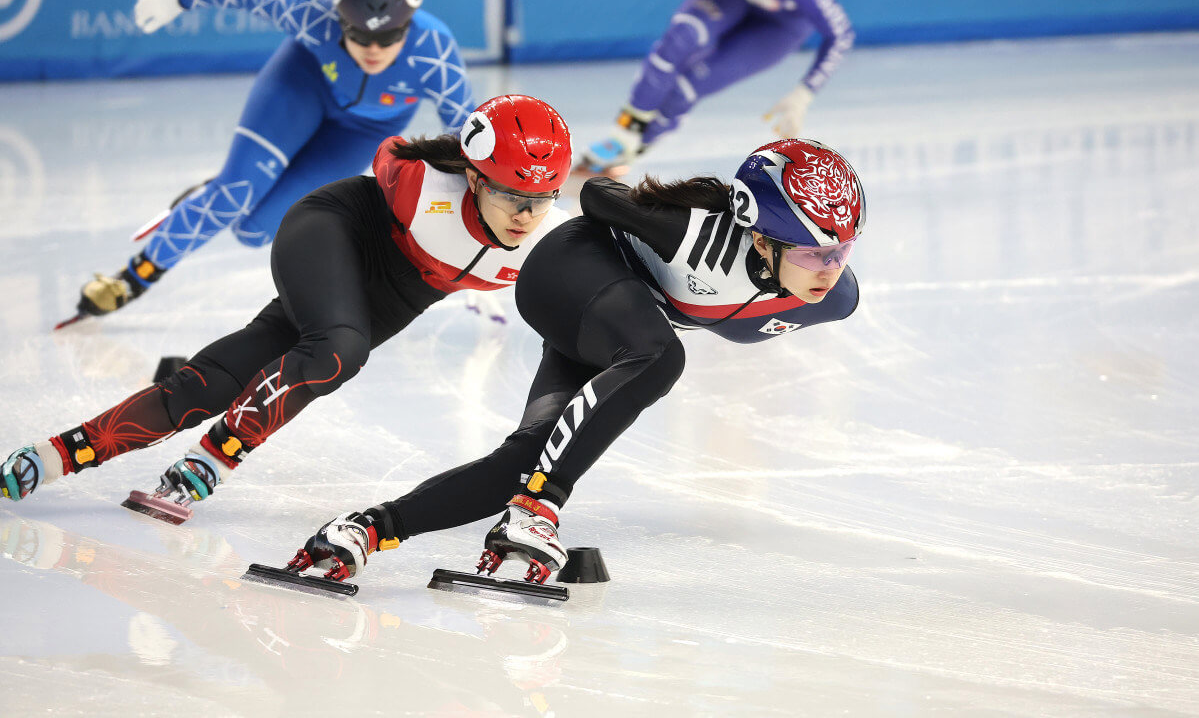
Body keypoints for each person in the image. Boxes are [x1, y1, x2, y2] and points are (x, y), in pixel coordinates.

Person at [280, 137, 866, 586]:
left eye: (841, 251)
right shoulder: (693, 236)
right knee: (661, 357)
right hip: (569, 273)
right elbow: (595, 196)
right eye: (813, 253)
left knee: (526, 460)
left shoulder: (835, 298)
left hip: (613, 327)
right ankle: (538, 508)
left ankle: (364, 529)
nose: (829, 269)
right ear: (760, 238)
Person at [3, 96, 573, 521]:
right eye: (508, 194)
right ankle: (215, 459)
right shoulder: (425, 186)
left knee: (218, 381)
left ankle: (49, 457)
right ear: (473, 177)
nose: (524, 215)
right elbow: (390, 151)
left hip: (397, 296)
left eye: (540, 199)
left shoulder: (543, 245)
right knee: (338, 351)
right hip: (337, 229)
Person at [63, 0, 476, 326]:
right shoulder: (313, 15)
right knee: (235, 193)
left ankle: (214, 192)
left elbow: (465, 140)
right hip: (301, 87)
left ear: (408, 22)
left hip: (362, 129)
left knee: (252, 231)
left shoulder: (433, 50)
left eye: (388, 37)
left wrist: (471, 232)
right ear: (338, 15)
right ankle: (133, 277)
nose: (373, 49)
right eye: (356, 33)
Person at [579, 0, 854, 175]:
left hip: (781, 26)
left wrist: (805, 92)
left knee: (689, 86)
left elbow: (841, 35)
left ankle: (634, 149)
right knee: (678, 39)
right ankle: (622, 136)